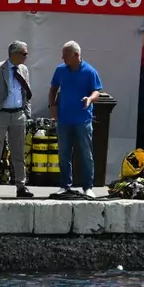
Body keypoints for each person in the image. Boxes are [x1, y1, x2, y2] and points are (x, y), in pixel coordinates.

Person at [49, 40, 104, 199]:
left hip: (83, 120)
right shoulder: (60, 70)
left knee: (86, 153)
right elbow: (53, 89)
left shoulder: (89, 71)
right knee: (64, 154)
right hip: (64, 119)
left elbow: (97, 91)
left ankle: (88, 186)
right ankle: (65, 185)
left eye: (65, 55)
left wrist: (90, 99)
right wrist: (52, 106)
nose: (62, 58)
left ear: (76, 55)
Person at [0, 41, 34, 199]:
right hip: (0, 114)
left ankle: (21, 186)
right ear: (14, 54)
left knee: (18, 152)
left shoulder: (23, 70)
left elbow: (27, 92)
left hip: (18, 114)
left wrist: (26, 113)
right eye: (24, 54)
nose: (26, 57)